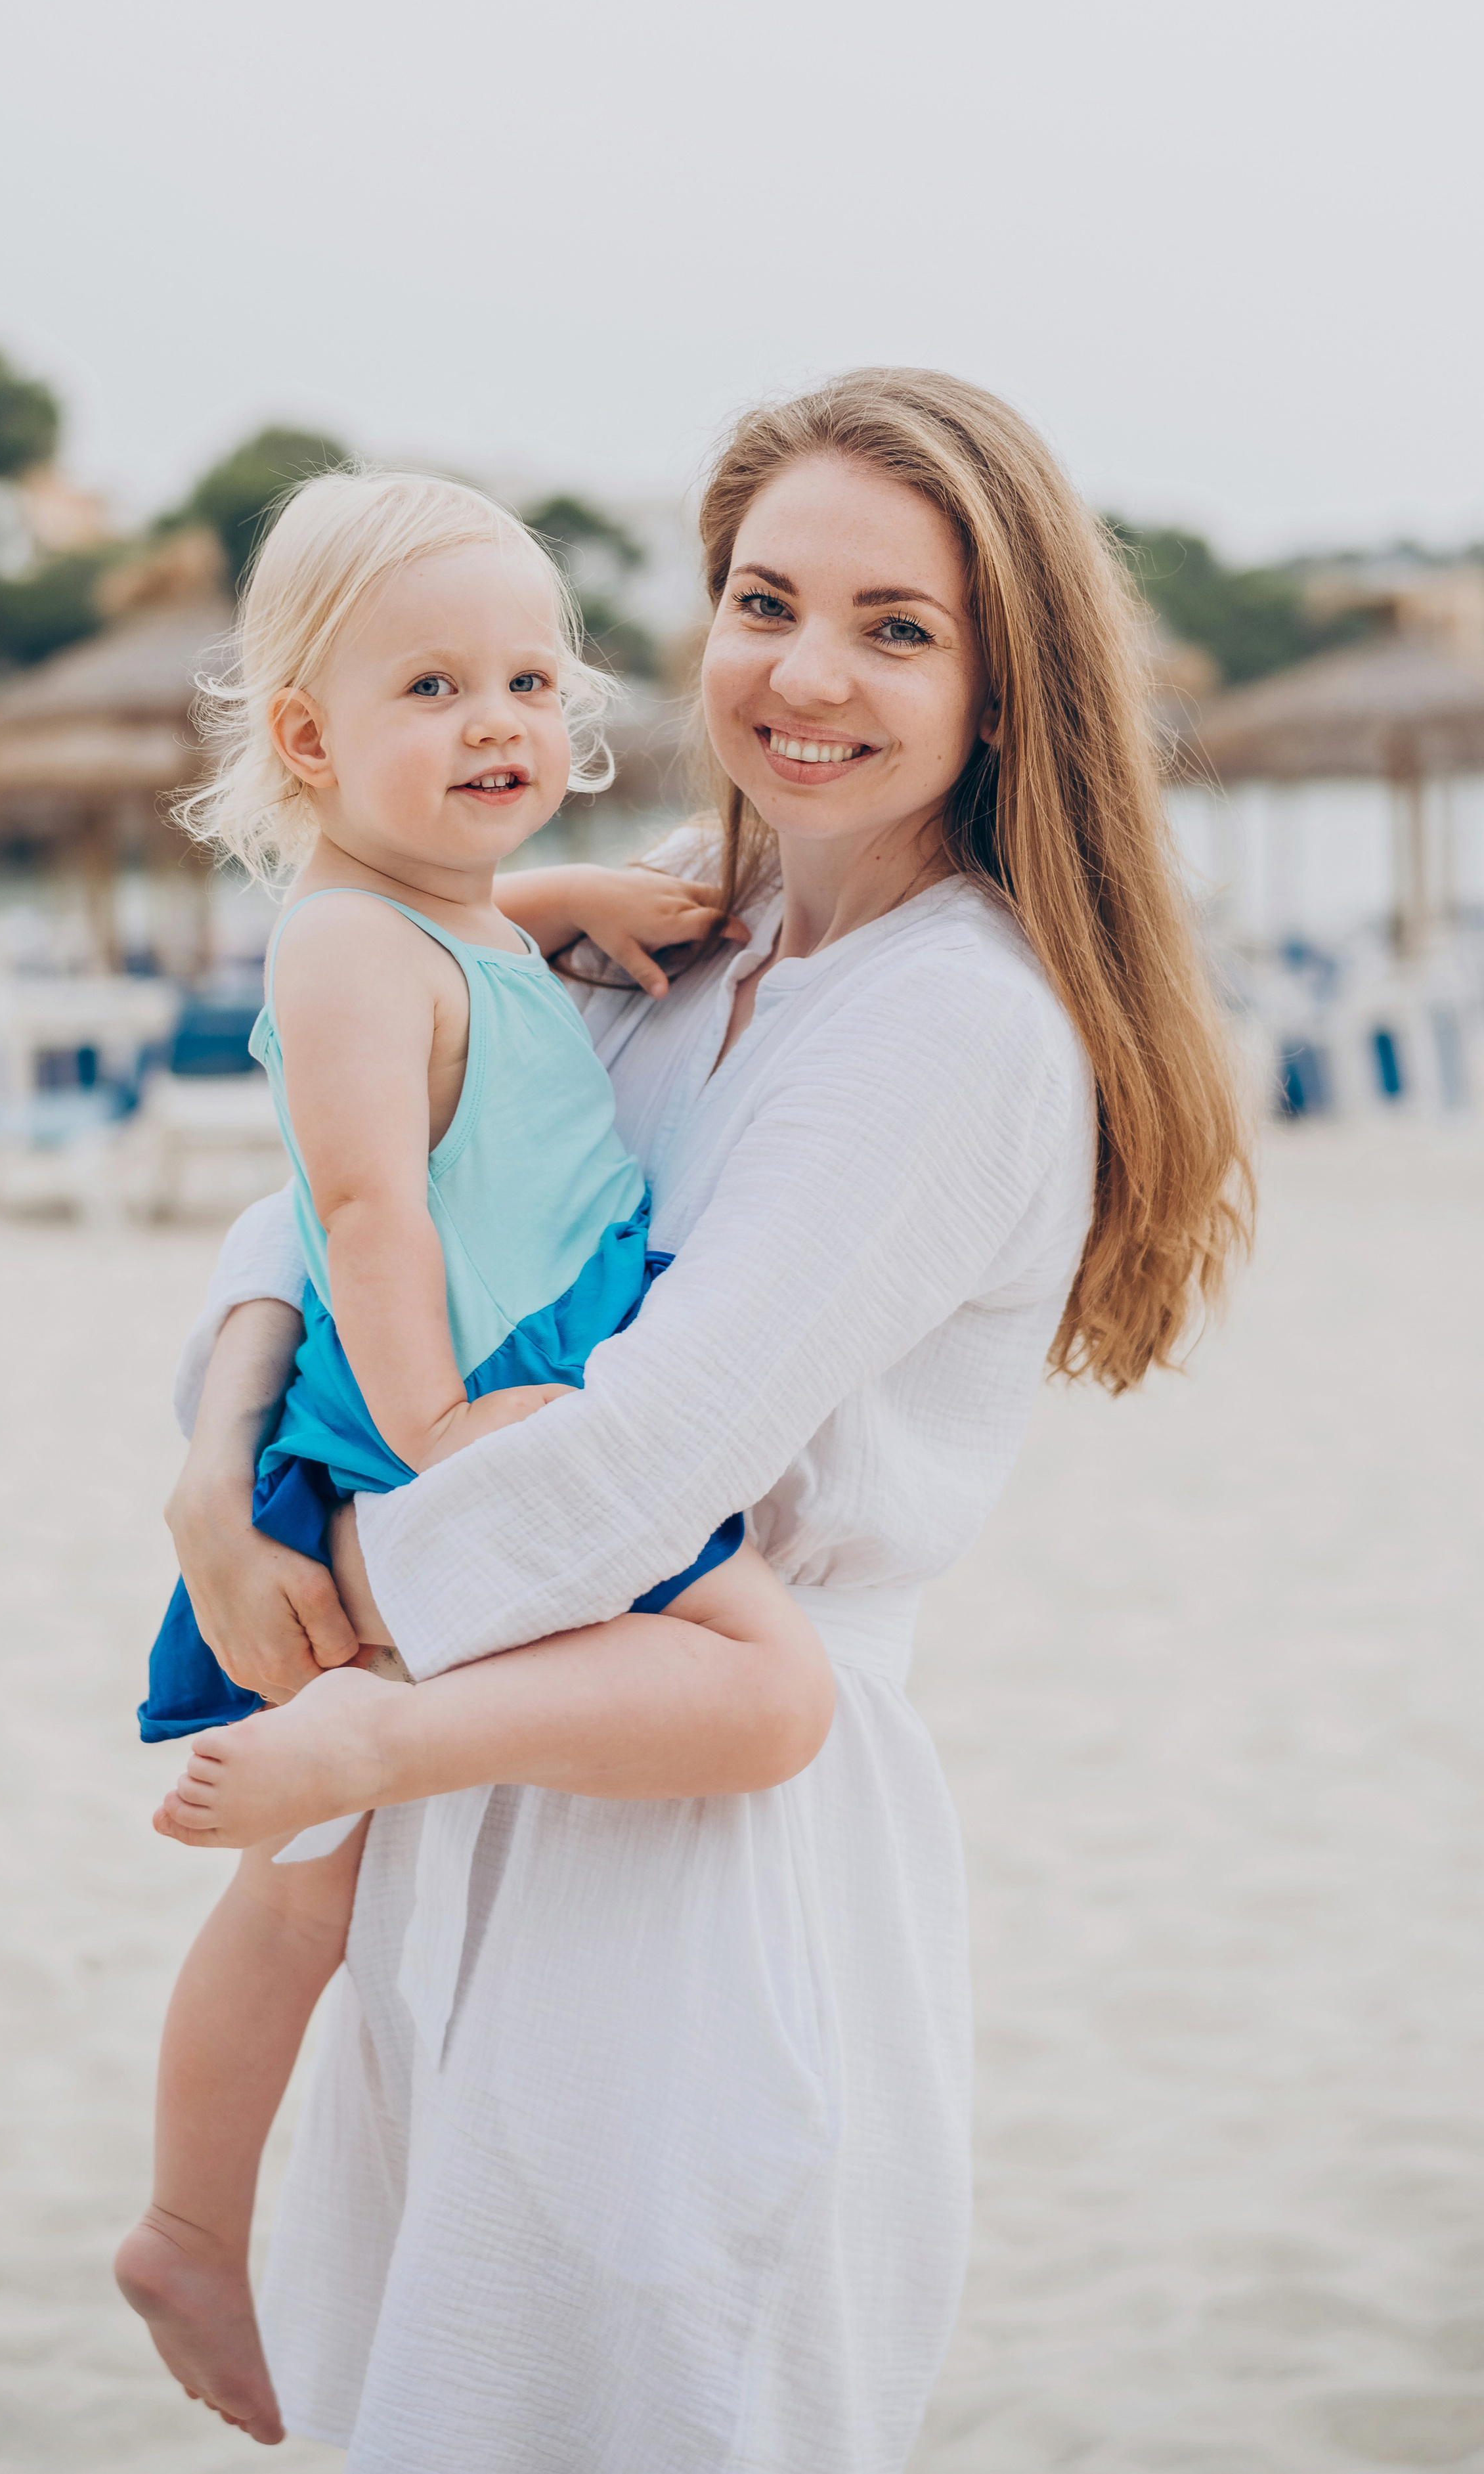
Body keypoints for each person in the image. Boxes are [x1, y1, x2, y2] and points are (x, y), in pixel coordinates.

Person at [137, 368, 1254, 2472]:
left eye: (897, 627)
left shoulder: (954, 1025)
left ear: (1008, 688)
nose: (805, 672)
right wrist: (214, 1463)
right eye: (764, 598)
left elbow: (646, 1463)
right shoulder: (661, 917)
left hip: (706, 1860)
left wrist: (329, 1589)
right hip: (460, 1797)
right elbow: (334, 1172)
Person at [118, 467, 829, 2433]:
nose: (502, 719)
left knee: (318, 1890)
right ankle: (184, 2219)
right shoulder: (347, 944)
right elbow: (363, 1204)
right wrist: (440, 1427)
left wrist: (565, 896)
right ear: (308, 737)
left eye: (529, 673)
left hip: (492, 1375)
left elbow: (452, 940)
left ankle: (193, 2216)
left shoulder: (430, 908)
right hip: (456, 1402)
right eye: (433, 686)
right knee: (324, 1879)